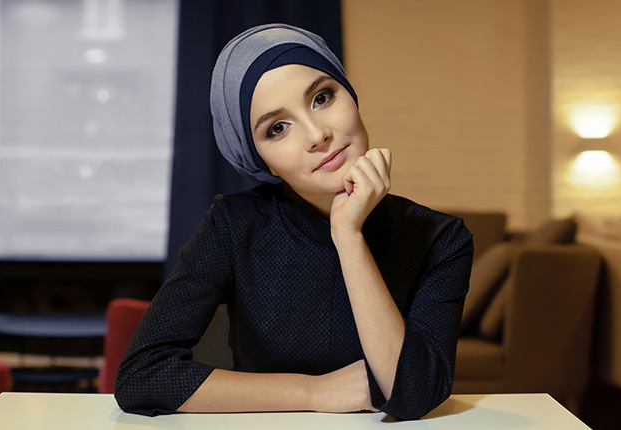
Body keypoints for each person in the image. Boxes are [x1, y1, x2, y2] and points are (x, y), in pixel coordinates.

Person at [115, 23, 473, 421]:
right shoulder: (233, 225)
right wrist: (314, 390)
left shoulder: (441, 238)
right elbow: (141, 376)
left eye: (322, 97)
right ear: (261, 161)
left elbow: (415, 395)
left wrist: (348, 234)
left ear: (351, 97)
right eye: (277, 128)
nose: (318, 135)